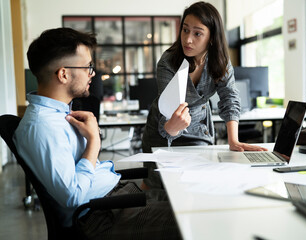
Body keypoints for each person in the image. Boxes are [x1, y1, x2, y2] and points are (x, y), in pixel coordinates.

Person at [13, 28, 181, 240]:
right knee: (195, 222)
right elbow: (72, 195)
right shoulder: (42, 127)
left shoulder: (60, 115)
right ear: (63, 74)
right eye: (88, 67)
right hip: (102, 216)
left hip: (116, 199)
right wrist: (94, 142)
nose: (93, 73)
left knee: (194, 203)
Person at [142, 1, 267, 189]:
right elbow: (168, 110)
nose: (188, 39)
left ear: (211, 38)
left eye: (197, 33)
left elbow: (229, 98)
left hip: (199, 128)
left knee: (198, 181)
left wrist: (233, 141)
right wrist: (171, 128)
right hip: (164, 126)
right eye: (185, 30)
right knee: (159, 186)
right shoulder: (168, 62)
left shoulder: (220, 62)